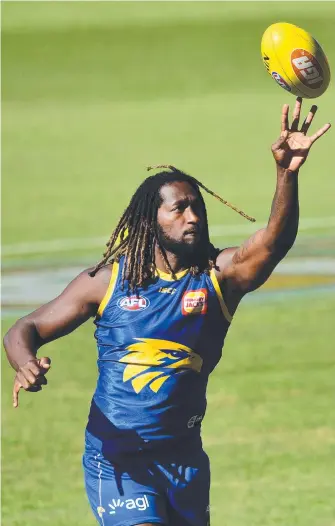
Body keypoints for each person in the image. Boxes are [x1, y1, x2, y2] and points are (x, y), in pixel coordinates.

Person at [4, 98, 330, 526]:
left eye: (197, 206)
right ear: (150, 221)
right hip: (117, 459)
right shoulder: (107, 282)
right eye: (178, 208)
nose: (192, 216)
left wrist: (287, 174)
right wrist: (25, 362)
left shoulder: (218, 278)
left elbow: (272, 244)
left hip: (184, 460)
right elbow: (26, 327)